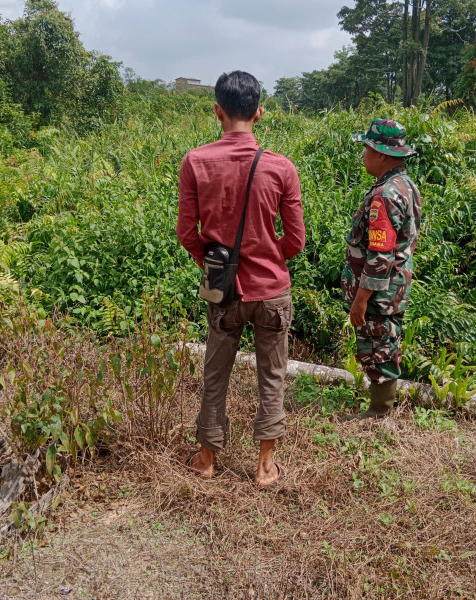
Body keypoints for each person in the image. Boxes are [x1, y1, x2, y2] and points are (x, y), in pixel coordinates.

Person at [176, 70, 305, 488]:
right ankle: (265, 466)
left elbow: (187, 233)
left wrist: (211, 264)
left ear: (217, 111)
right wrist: (268, 257)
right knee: (272, 374)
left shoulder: (195, 162)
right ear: (260, 113)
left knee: (215, 372)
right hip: (271, 291)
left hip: (223, 288)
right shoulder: (281, 168)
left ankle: (206, 459)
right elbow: (296, 240)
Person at [341, 118, 421, 419]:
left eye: (367, 148)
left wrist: (361, 300)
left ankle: (378, 413)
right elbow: (407, 242)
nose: (363, 154)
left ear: (382, 155)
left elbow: (380, 255)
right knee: (386, 342)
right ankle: (379, 408)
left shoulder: (385, 195)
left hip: (379, 293)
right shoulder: (407, 186)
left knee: (380, 348)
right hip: (394, 286)